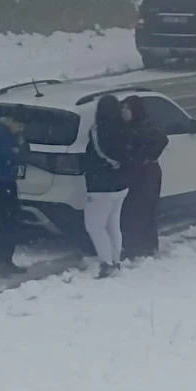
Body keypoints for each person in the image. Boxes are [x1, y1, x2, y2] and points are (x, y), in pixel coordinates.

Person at [84, 95, 131, 278]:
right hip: (120, 184)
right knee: (113, 225)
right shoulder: (124, 128)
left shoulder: (98, 131)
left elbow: (91, 156)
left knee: (94, 226)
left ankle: (106, 263)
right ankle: (116, 261)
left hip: (101, 185)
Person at [0, 107, 29, 277]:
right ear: (11, 120)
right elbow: (12, 155)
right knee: (10, 219)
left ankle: (3, 258)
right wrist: (19, 146)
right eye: (20, 126)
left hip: (1, 180)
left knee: (9, 219)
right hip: (0, 182)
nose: (21, 129)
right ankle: (1, 259)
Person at [120, 96, 168, 260]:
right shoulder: (126, 128)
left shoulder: (145, 126)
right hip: (136, 173)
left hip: (148, 174)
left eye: (126, 109)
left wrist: (146, 157)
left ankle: (147, 246)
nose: (123, 112)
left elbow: (162, 140)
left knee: (145, 209)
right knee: (133, 210)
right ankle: (138, 246)